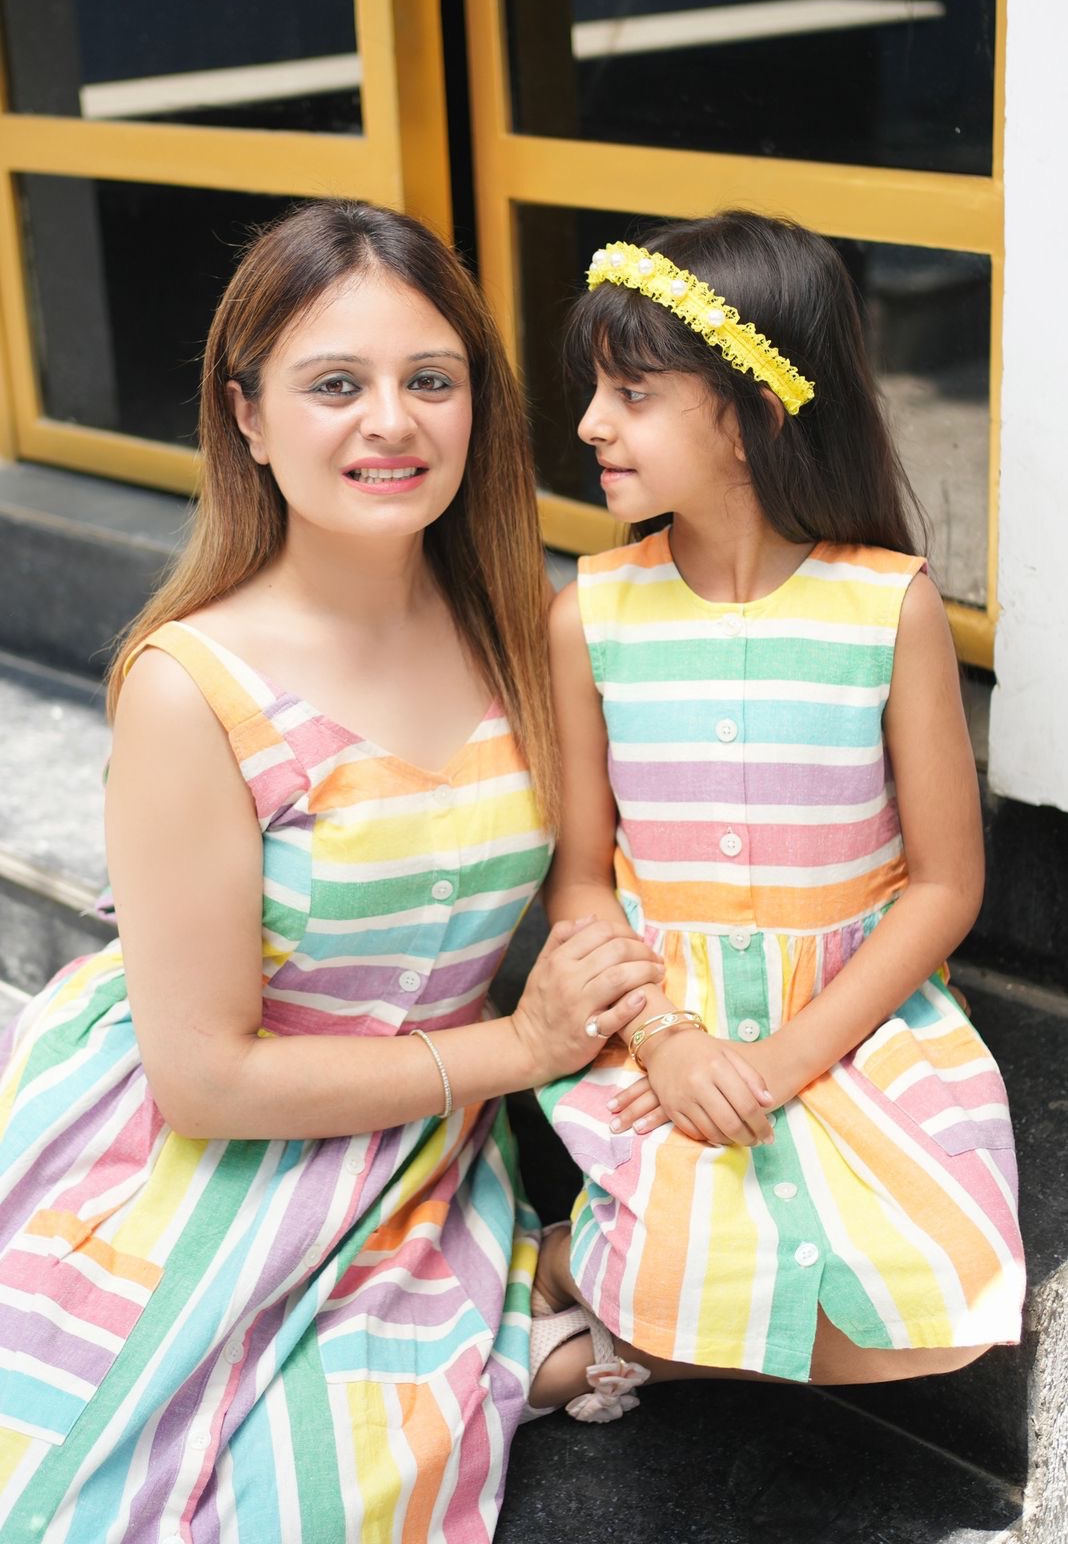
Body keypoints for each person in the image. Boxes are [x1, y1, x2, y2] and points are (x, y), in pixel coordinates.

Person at [0, 199, 664, 1540]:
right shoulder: (192, 688)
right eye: (335, 385)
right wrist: (522, 1048)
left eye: (432, 380)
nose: (393, 422)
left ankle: (486, 1333)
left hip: (426, 1151)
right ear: (246, 417)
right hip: (201, 1152)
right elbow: (205, 1080)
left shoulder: (528, 628)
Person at [528, 212, 1025, 1422]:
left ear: (752, 411)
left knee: (938, 1308)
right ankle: (550, 1263)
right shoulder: (588, 613)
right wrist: (673, 1039)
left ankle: (558, 1288)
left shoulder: (885, 606)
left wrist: (784, 1058)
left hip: (853, 1021)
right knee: (686, 1279)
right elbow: (582, 880)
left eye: (634, 392)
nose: (593, 423)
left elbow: (946, 886)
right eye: (598, 389)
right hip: (664, 1020)